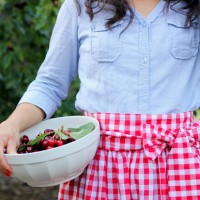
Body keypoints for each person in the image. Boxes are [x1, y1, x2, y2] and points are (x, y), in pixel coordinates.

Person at [0, 0, 199, 199]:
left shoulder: (194, 7)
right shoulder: (80, 6)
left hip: (179, 165)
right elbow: (50, 84)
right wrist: (12, 125)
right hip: (100, 168)